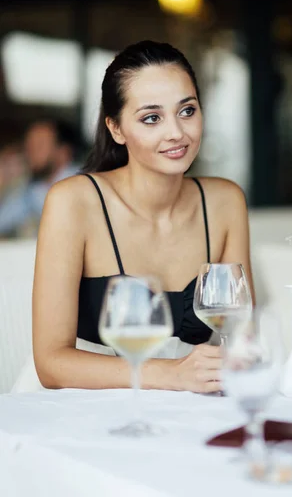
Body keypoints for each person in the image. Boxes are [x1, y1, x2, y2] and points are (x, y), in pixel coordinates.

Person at [33, 40, 254, 393]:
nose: (176, 133)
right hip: (85, 408)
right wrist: (171, 374)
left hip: (192, 408)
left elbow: (243, 334)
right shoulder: (74, 202)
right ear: (116, 129)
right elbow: (51, 363)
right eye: (152, 118)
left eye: (187, 111)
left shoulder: (225, 202)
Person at [0, 119, 80, 237]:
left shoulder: (84, 185)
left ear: (63, 152)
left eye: (40, 145)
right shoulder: (31, 189)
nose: (31, 152)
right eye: (29, 145)